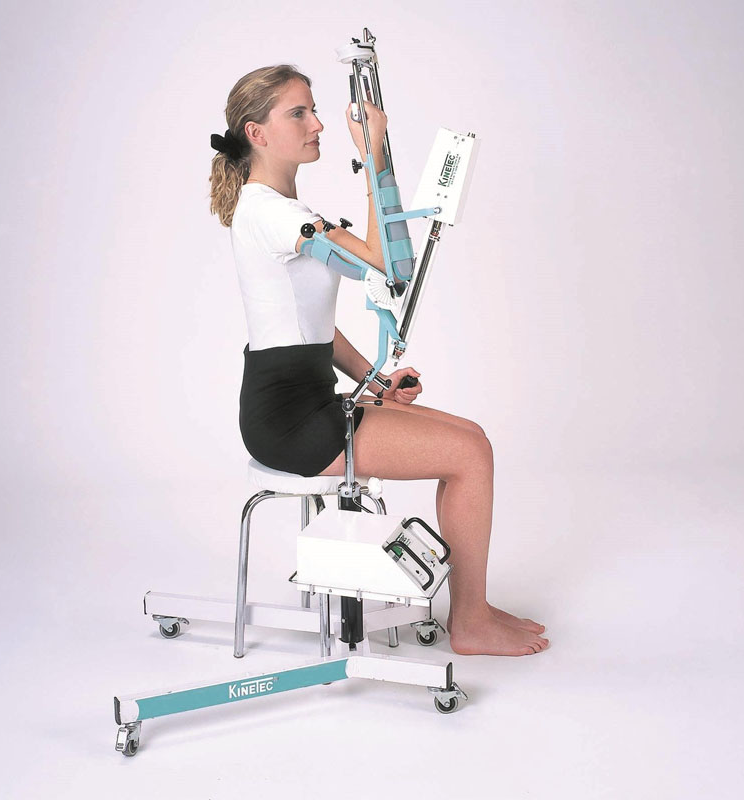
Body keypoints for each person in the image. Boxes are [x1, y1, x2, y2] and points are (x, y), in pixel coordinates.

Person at [209, 65, 549, 657]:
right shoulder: (270, 213)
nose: (318, 124)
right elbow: (383, 263)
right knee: (468, 455)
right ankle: (470, 622)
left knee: (472, 440)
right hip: (289, 422)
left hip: (306, 401)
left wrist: (375, 381)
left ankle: (473, 607)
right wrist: (374, 155)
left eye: (314, 110)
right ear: (256, 133)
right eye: (299, 113)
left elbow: (317, 326)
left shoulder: (285, 209)